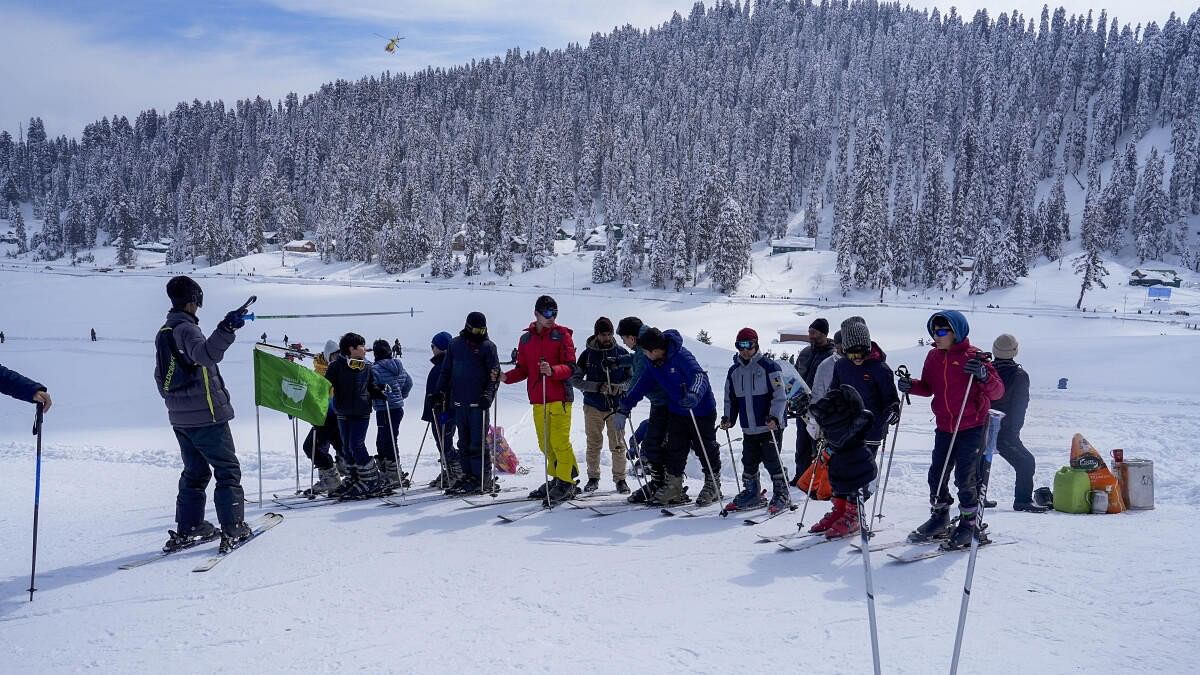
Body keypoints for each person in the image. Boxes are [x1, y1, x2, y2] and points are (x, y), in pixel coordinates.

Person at [154, 275, 252, 552]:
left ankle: (190, 527)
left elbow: (159, 376)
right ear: (193, 300)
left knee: (195, 472)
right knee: (227, 470)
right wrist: (227, 328)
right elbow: (207, 355)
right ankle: (234, 528)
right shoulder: (187, 329)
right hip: (206, 417)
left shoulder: (165, 330)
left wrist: (176, 403)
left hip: (181, 418)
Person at [898, 310, 1004, 548]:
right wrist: (910, 386)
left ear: (957, 331)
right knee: (936, 474)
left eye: (943, 331)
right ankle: (940, 516)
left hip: (972, 426)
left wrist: (984, 375)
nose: (937, 336)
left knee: (964, 476)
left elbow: (997, 392)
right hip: (945, 425)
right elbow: (927, 387)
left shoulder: (975, 357)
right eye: (934, 331)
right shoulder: (933, 357)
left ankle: (969, 523)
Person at [618, 327, 722, 507]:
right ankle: (674, 486)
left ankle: (713, 484)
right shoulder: (653, 363)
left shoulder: (681, 356)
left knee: (704, 447)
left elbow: (700, 376)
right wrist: (624, 407)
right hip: (677, 410)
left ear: (655, 350)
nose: (644, 355)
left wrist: (694, 395)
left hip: (701, 409)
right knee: (675, 449)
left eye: (645, 352)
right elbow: (642, 384)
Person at [503, 295, 580, 504]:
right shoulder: (526, 339)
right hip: (538, 399)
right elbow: (523, 369)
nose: (551, 317)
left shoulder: (562, 335)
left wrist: (552, 370)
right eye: (547, 313)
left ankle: (566, 481)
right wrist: (505, 377)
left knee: (559, 441)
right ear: (536, 313)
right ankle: (558, 477)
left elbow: (572, 367)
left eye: (554, 313)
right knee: (545, 443)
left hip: (560, 397)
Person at [720, 327, 790, 514]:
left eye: (748, 345)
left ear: (756, 344)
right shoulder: (734, 371)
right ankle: (752, 492)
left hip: (769, 425)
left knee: (771, 460)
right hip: (749, 427)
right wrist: (728, 418)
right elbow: (730, 398)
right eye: (740, 345)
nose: (744, 350)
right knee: (748, 461)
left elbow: (780, 395)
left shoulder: (769, 367)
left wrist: (775, 416)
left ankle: (782, 491)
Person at [978, 334, 1046, 513]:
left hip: (981, 426)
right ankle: (1022, 500)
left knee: (980, 462)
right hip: (1005, 430)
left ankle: (977, 497)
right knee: (1026, 462)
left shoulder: (985, 372)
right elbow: (1019, 405)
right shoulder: (1019, 375)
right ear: (1015, 351)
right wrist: (1013, 432)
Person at [436, 313, 502, 495]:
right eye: (476, 330)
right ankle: (467, 475)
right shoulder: (455, 345)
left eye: (483, 330)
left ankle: (482, 478)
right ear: (467, 327)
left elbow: (494, 375)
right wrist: (438, 392)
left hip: (478, 405)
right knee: (463, 443)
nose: (479, 334)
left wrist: (488, 395)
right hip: (459, 403)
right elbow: (446, 371)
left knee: (477, 443)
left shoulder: (488, 347)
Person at [806, 385, 878, 538]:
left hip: (857, 456)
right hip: (839, 456)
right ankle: (840, 511)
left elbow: (867, 418)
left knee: (853, 482)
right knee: (838, 481)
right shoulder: (837, 375)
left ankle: (854, 516)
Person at [570, 316, 631, 494]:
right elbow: (575, 380)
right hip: (593, 406)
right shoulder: (587, 354)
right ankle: (593, 478)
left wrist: (620, 388)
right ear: (596, 334)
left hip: (616, 406)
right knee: (593, 443)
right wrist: (597, 387)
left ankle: (620, 479)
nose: (607, 338)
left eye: (610, 334)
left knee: (618, 444)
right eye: (603, 335)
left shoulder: (621, 353)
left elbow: (632, 379)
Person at [830, 318, 899, 474]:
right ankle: (846, 498)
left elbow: (890, 398)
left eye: (861, 352)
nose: (857, 358)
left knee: (861, 473)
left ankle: (861, 494)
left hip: (871, 430)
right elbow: (834, 392)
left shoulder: (880, 369)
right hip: (846, 429)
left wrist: (893, 410)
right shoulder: (841, 365)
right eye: (852, 354)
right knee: (844, 473)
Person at [323, 332, 387, 499]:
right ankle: (354, 477)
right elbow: (324, 386)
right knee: (346, 446)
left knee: (356, 445)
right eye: (361, 346)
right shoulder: (336, 366)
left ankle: (372, 479)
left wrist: (379, 391)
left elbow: (371, 386)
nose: (365, 349)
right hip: (343, 412)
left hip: (361, 412)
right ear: (351, 349)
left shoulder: (366, 366)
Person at [616, 316, 670, 503]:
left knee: (656, 445)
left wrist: (624, 403)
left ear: (632, 337)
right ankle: (660, 483)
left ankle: (665, 485)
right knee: (654, 444)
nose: (624, 343)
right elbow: (635, 360)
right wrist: (620, 360)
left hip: (665, 403)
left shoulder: (644, 348)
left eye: (624, 339)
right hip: (660, 402)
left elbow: (638, 381)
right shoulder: (644, 344)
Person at [302, 340, 346, 494]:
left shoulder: (342, 367)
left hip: (338, 415)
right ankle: (331, 478)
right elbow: (311, 394)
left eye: (340, 354)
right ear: (328, 356)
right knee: (312, 447)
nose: (338, 357)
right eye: (335, 355)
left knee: (342, 447)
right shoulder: (318, 372)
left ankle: (347, 476)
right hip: (324, 417)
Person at [793, 318, 834, 478]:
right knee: (801, 443)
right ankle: (800, 476)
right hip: (801, 406)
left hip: (821, 409)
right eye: (809, 332)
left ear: (824, 334)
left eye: (814, 332)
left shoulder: (832, 357)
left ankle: (817, 479)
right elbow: (795, 375)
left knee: (819, 444)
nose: (810, 335)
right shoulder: (805, 353)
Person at [371, 339, 413, 490]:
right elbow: (408, 382)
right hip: (397, 408)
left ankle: (393, 473)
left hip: (384, 408)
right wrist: (400, 395)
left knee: (386, 440)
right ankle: (389, 470)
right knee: (388, 438)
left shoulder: (375, 369)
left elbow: (371, 388)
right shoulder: (398, 366)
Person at [422, 331, 458, 488]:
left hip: (444, 411)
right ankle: (449, 470)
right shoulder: (442, 364)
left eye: (433, 346)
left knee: (445, 442)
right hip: (438, 411)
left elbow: (448, 389)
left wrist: (441, 403)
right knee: (441, 441)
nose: (432, 349)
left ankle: (456, 471)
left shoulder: (445, 365)